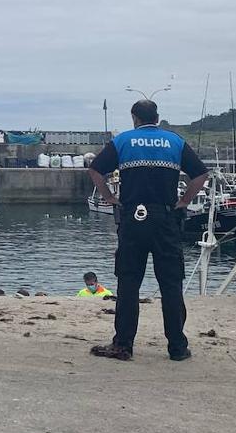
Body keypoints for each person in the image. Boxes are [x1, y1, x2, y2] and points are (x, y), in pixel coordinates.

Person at [87, 100, 208, 361]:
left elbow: (95, 169)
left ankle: (123, 344)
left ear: (134, 118)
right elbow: (200, 174)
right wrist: (185, 200)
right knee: (171, 284)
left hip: (133, 218)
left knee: (129, 282)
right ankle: (177, 346)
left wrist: (109, 196)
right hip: (166, 218)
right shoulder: (174, 142)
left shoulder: (123, 141)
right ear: (157, 117)